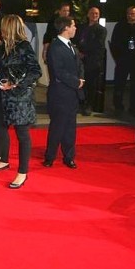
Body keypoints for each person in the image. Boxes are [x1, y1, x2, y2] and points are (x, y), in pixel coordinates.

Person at [0, 15, 41, 188]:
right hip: (1, 97)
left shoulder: (24, 47)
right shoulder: (4, 47)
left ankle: (22, 172)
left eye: (4, 27)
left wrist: (16, 84)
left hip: (19, 100)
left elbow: (36, 71)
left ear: (11, 28)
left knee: (22, 136)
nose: (1, 30)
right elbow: (3, 70)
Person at [44, 16, 85, 169]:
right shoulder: (55, 48)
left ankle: (69, 156)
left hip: (72, 93)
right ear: (66, 28)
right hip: (59, 94)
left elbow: (79, 64)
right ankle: (50, 156)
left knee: (70, 127)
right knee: (58, 126)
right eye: (73, 25)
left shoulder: (72, 46)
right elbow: (58, 72)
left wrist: (81, 79)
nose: (75, 28)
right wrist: (76, 82)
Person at [77, 6, 106, 115]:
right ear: (88, 14)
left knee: (91, 84)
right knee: (81, 82)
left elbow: (98, 46)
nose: (94, 15)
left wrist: (85, 53)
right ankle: (81, 102)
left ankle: (89, 105)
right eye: (92, 13)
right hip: (81, 60)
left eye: (96, 14)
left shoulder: (101, 30)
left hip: (92, 61)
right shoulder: (82, 27)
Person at [111, 6, 135, 113]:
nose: (130, 15)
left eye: (133, 13)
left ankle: (134, 107)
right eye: (128, 13)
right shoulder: (120, 26)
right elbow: (114, 42)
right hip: (122, 59)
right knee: (119, 83)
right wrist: (118, 57)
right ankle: (117, 105)